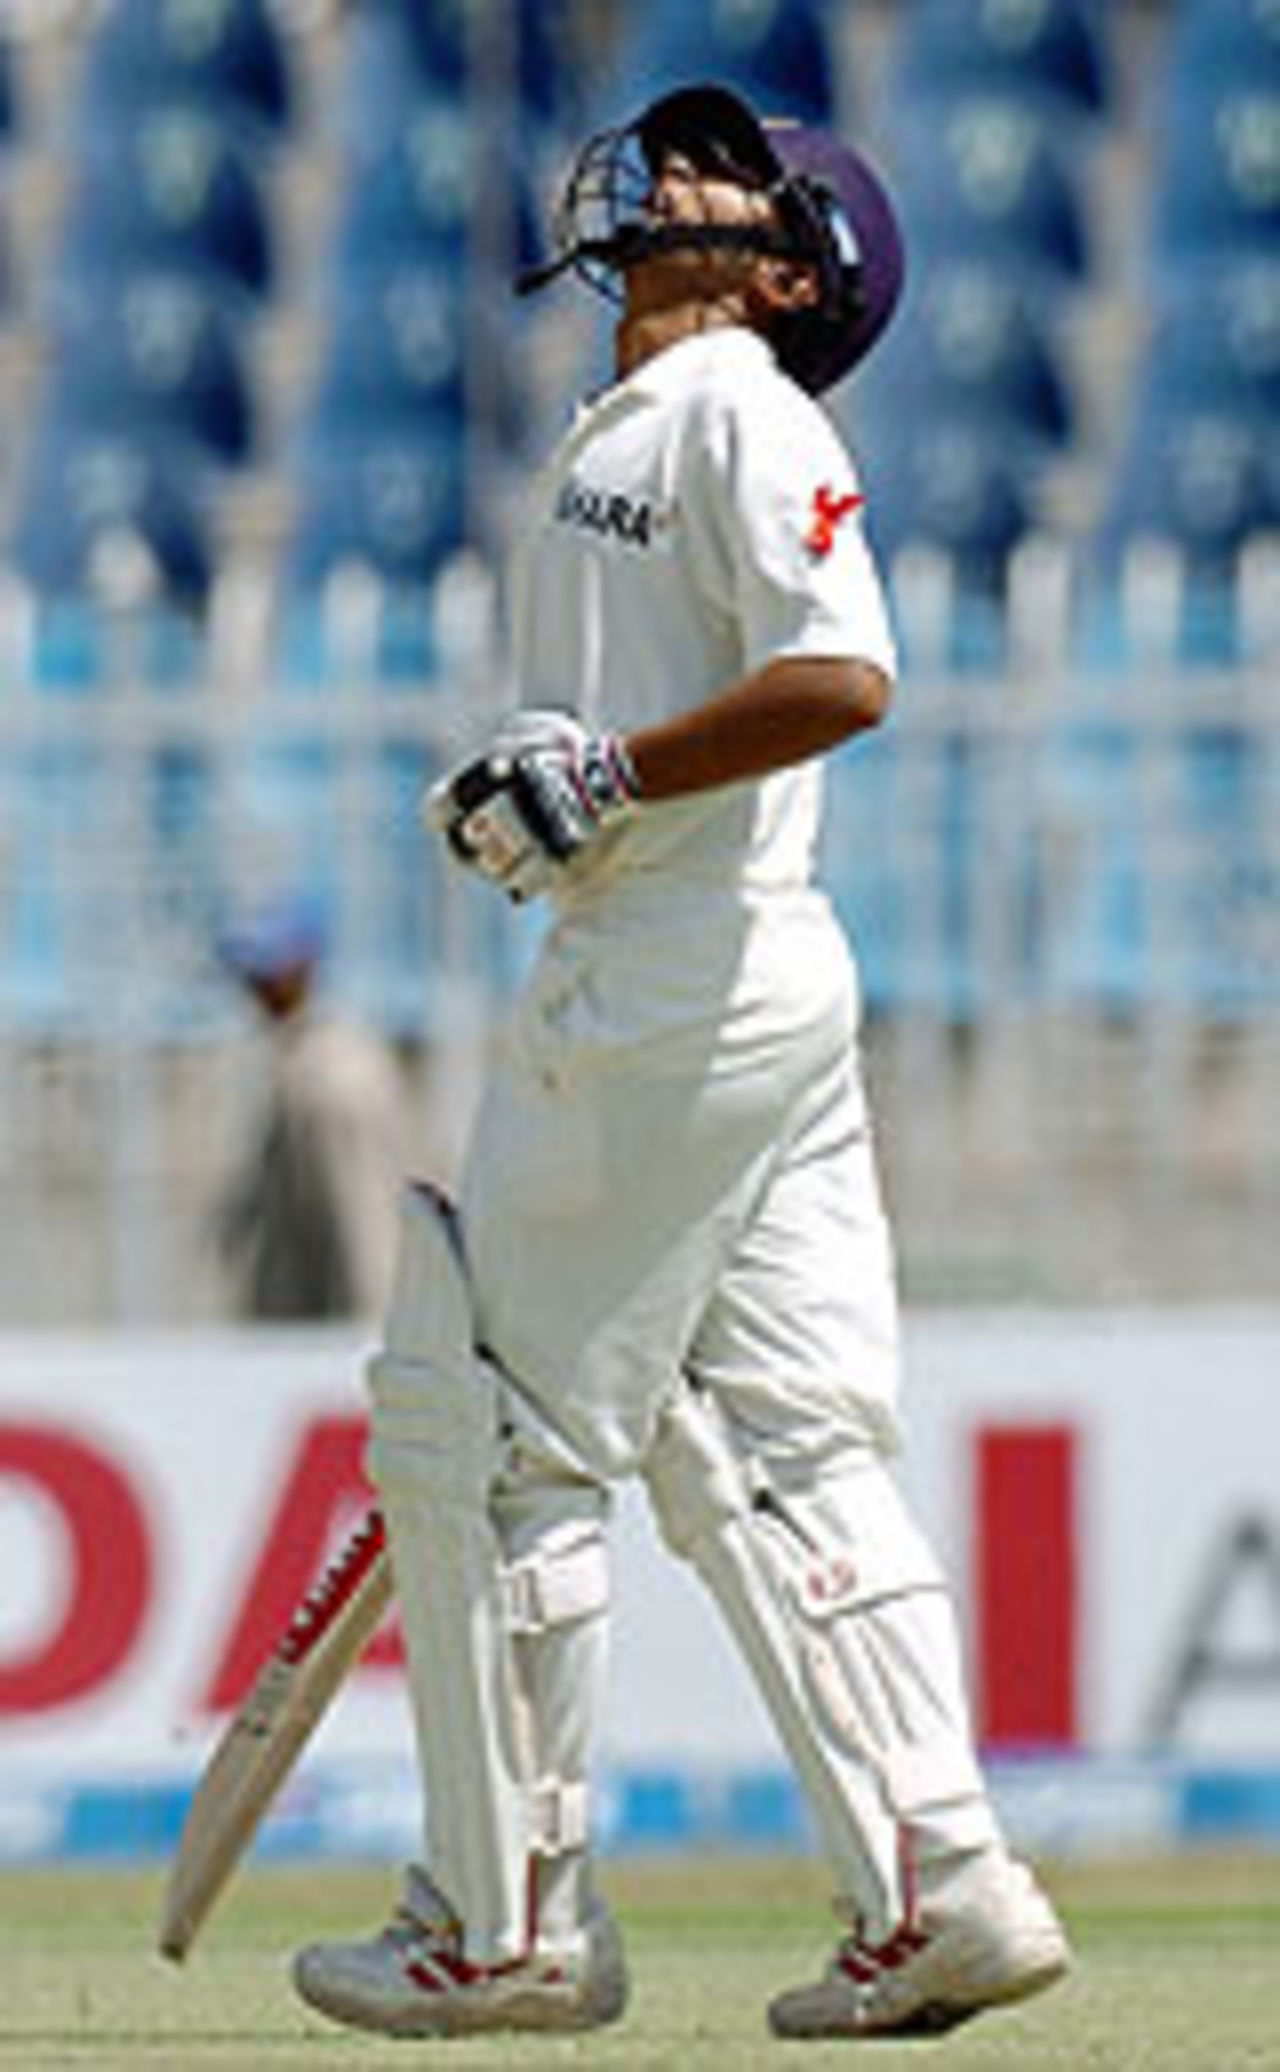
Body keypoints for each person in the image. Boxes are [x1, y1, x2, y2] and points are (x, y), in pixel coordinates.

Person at [292, 82, 1071, 2041]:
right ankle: (940, 1881)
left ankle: (505, 1916)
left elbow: (842, 671)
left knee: (488, 1431)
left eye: (734, 169)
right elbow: (617, 735)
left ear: (792, 265)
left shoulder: (738, 407)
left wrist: (610, 780)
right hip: (732, 971)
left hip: (673, 986)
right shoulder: (630, 424)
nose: (673, 170)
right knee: (787, 1446)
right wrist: (538, 788)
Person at [214, 895, 405, 1321]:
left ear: (303, 968)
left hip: (329, 1330)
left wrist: (367, 1332)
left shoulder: (335, 1071)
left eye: (268, 971)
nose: (255, 988)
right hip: (296, 1324)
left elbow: (363, 1218)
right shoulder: (297, 1057)